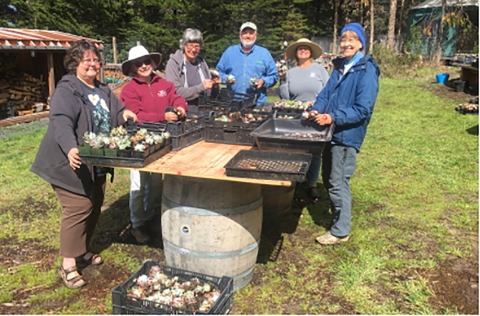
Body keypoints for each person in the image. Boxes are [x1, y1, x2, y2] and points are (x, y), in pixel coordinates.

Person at [30, 40, 137, 289]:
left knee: (95, 204)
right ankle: (67, 265)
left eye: (96, 60)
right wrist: (70, 147)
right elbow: (61, 120)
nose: (93, 64)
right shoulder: (67, 89)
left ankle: (81, 251)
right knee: (79, 207)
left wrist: (124, 114)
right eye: (86, 60)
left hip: (95, 159)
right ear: (75, 63)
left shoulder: (101, 88)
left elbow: (114, 110)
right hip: (68, 159)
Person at [310, 23, 380, 245]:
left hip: (347, 133)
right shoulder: (340, 67)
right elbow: (325, 94)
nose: (346, 44)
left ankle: (340, 230)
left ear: (361, 44)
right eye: (343, 39)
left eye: (352, 40)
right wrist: (317, 109)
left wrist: (333, 117)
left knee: (338, 180)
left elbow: (363, 109)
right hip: (331, 131)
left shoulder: (366, 70)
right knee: (329, 176)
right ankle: (337, 218)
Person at [120, 45, 188, 244]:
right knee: (138, 185)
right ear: (132, 67)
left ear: (152, 62)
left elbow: (177, 97)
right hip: (139, 142)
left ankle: (149, 217)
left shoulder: (164, 84)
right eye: (138, 63)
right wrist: (162, 116)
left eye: (146, 61)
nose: (143, 66)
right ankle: (136, 224)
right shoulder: (129, 89)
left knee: (156, 182)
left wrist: (181, 107)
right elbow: (136, 115)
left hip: (162, 141)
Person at [279, 38, 330, 200]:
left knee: (315, 150)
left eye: (306, 49)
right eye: (299, 49)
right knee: (296, 148)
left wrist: (321, 109)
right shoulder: (290, 72)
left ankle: (312, 183)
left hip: (316, 113)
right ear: (295, 53)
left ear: (310, 52)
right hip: (297, 114)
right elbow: (286, 97)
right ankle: (296, 180)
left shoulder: (319, 70)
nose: (302, 51)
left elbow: (328, 91)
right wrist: (282, 80)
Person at [216, 22, 278, 106]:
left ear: (256, 35)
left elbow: (274, 76)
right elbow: (218, 73)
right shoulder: (230, 52)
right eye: (245, 33)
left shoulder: (264, 53)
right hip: (233, 102)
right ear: (240, 35)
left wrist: (263, 82)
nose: (248, 36)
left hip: (257, 104)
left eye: (251, 33)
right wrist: (225, 79)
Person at [165, 28, 220, 110]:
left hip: (203, 113)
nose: (193, 49)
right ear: (183, 45)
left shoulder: (201, 63)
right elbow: (174, 92)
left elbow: (210, 95)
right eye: (190, 45)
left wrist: (215, 85)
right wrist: (200, 87)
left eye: (197, 46)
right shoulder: (174, 63)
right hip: (183, 112)